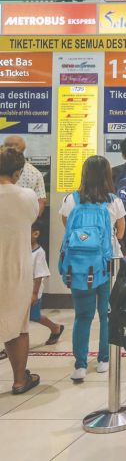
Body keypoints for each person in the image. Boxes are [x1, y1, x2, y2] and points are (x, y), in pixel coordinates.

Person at [59, 155, 125, 383]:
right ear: (107, 175)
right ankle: (104, 360)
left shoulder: (71, 200)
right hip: (107, 264)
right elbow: (121, 232)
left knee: (82, 315)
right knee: (106, 314)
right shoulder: (114, 201)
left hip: (79, 266)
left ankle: (80, 365)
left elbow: (67, 229)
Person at [0, 148, 40, 394]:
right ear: (17, 173)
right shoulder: (26, 196)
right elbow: (32, 217)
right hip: (16, 266)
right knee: (18, 324)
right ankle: (19, 380)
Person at [30, 219, 63, 344]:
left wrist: (34, 294)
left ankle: (55, 328)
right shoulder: (21, 250)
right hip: (20, 291)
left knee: (34, 316)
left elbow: (39, 276)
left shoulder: (39, 253)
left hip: (34, 292)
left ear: (35, 234)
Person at [3, 135, 46, 216]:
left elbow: (41, 202)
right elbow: (41, 202)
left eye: (15, 145)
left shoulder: (35, 173)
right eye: (8, 145)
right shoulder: (35, 173)